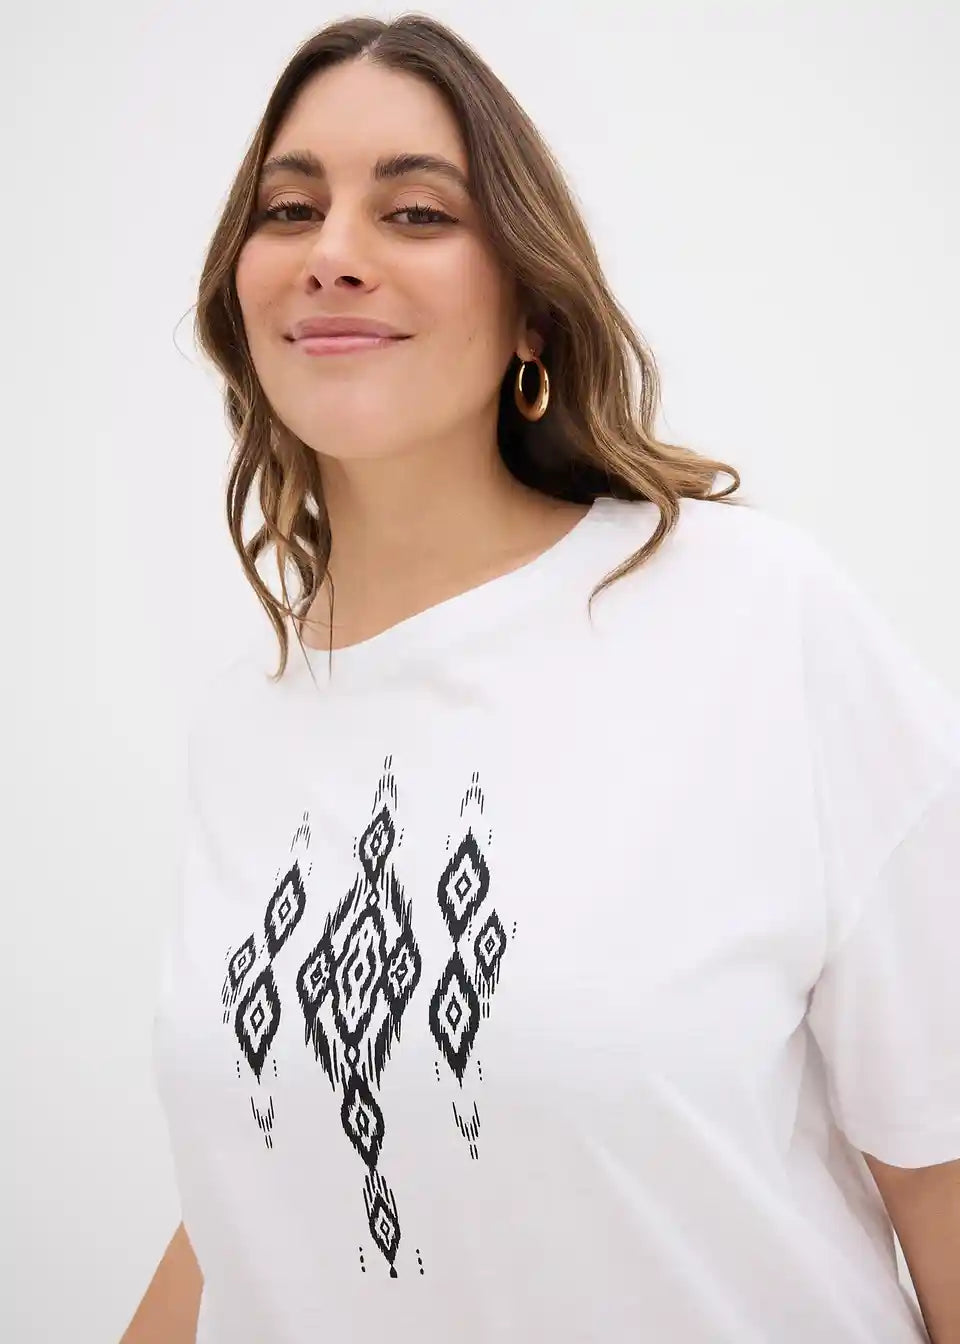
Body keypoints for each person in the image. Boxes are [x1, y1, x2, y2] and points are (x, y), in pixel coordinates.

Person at [124, 14, 960, 1344]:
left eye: (415, 212)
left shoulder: (752, 617)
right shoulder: (251, 716)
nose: (333, 253)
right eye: (290, 209)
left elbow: (942, 1165)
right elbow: (261, 1200)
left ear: (529, 307)